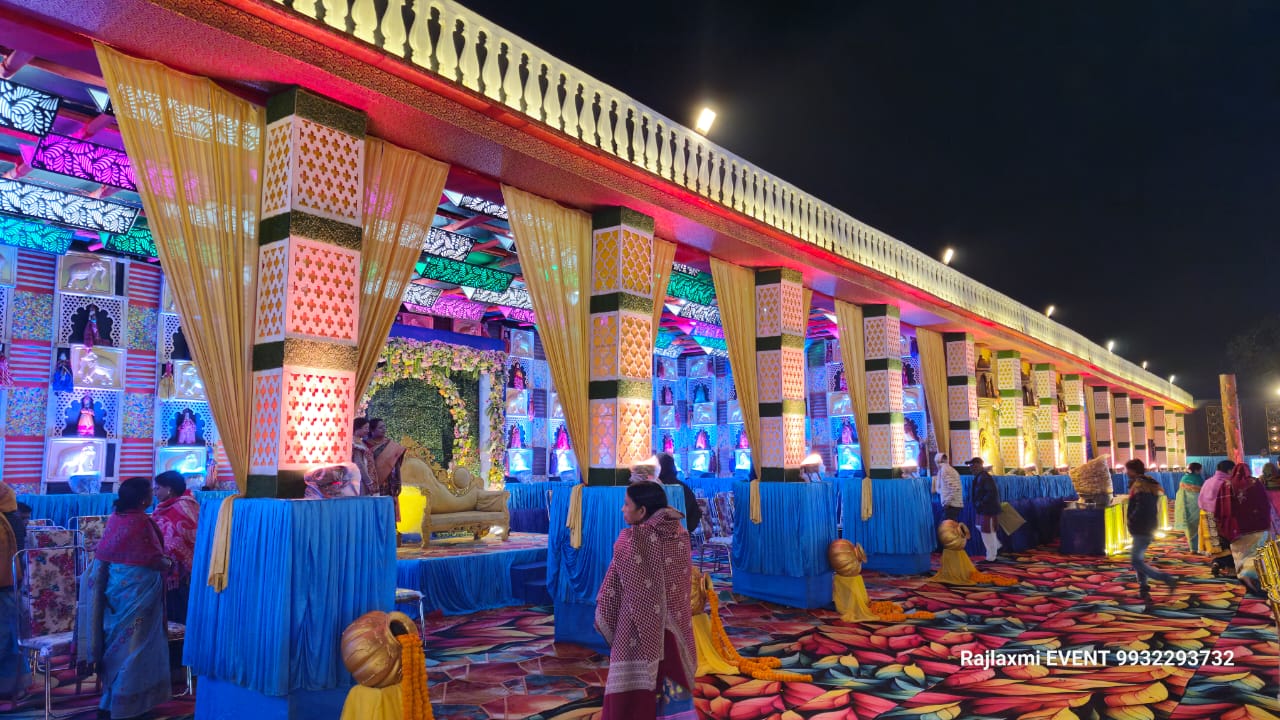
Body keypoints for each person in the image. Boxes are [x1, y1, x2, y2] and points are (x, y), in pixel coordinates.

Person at [595, 482, 696, 720]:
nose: (622, 509)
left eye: (626, 504)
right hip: (673, 631)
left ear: (642, 511)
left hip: (636, 627)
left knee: (633, 693)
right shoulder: (680, 534)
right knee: (672, 681)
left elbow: (612, 588)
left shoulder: (631, 540)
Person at [77, 477, 174, 719]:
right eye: (150, 491)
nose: (152, 494)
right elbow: (153, 558)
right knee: (136, 648)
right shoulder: (141, 522)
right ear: (142, 499)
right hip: (140, 596)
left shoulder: (116, 519)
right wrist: (171, 564)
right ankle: (128, 706)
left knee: (117, 647)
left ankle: (109, 701)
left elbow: (106, 555)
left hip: (115, 595)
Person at [1125, 459, 1177, 605]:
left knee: (1136, 561)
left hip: (1142, 527)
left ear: (1133, 470)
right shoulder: (1147, 483)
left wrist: (1132, 520)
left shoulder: (1140, 485)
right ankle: (1143, 590)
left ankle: (1165, 578)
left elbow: (1142, 508)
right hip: (1146, 526)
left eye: (1128, 470)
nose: (1126, 472)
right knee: (1139, 560)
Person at [1215, 463, 1272, 595]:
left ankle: (1244, 575)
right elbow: (1264, 503)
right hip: (1257, 526)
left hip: (1236, 528)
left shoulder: (1226, 484)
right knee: (1257, 553)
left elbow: (1220, 506)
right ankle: (1254, 578)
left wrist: (1223, 524)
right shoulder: (1255, 483)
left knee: (1240, 554)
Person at [152, 471, 199, 624]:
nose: (155, 492)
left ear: (169, 489)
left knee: (179, 610)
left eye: (158, 488)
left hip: (182, 572)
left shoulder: (184, 506)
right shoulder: (165, 507)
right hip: (168, 569)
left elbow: (183, 536)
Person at [0, 481, 29, 701]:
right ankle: (15, 686)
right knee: (11, 637)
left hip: (5, 588)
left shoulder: (7, 521)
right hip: (12, 586)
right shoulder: (14, 519)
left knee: (6, 637)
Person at [658, 453, 701, 535]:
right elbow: (695, 514)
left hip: (657, 537)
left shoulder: (654, 488)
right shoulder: (684, 488)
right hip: (683, 535)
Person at [1199, 459, 1235, 556]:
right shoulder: (1226, 484)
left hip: (1206, 515)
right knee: (1224, 543)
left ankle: (1217, 560)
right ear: (1229, 471)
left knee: (1214, 544)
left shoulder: (1208, 481)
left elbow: (1200, 499)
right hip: (1220, 517)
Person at [968, 457, 1001, 561]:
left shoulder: (984, 477)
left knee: (987, 533)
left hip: (987, 509)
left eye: (973, 465)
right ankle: (995, 546)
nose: (971, 468)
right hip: (984, 509)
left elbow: (991, 493)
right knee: (984, 529)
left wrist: (981, 503)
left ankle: (991, 557)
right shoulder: (981, 476)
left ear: (978, 466)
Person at [1175, 463, 1204, 553]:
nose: (1201, 471)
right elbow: (1202, 492)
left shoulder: (1184, 478)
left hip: (1184, 505)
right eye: (1200, 469)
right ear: (1196, 470)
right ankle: (1198, 547)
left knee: (1188, 524)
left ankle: (1192, 547)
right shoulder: (1198, 479)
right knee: (1197, 524)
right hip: (1196, 505)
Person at [935, 453, 963, 522]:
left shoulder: (945, 470)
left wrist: (947, 502)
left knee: (946, 527)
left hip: (952, 505)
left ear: (937, 461)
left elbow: (955, 488)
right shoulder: (950, 469)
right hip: (954, 503)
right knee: (951, 526)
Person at [352, 418, 375, 496]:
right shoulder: (355, 443)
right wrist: (368, 481)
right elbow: (359, 463)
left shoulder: (359, 441)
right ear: (357, 428)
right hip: (359, 480)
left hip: (361, 478)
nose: (368, 431)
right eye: (365, 428)